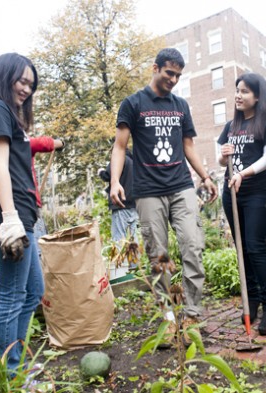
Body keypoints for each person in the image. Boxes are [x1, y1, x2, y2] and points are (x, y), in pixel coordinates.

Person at [109, 48, 218, 345]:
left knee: (193, 248)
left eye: (178, 75)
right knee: (160, 258)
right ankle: (168, 319)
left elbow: (188, 146)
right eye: (169, 73)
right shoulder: (133, 104)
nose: (173, 80)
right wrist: (115, 181)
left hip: (181, 186)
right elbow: (120, 146)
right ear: (155, 68)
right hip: (148, 191)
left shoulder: (181, 105)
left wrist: (205, 177)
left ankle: (192, 314)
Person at [0, 52, 44, 373]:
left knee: (33, 292)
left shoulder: (8, 115)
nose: (26, 89)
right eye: (21, 81)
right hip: (8, 218)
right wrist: (11, 218)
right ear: (5, 76)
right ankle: (8, 375)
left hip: (22, 216)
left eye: (31, 84)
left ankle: (15, 363)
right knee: (12, 297)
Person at [217, 72, 266, 336]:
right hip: (231, 193)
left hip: (256, 193)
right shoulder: (231, 126)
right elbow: (221, 161)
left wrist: (243, 173)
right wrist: (222, 156)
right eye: (237, 91)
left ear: (257, 96)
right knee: (241, 249)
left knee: (255, 248)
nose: (238, 95)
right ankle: (251, 300)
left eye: (244, 91)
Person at [98, 148, 139, 269]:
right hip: (134, 205)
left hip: (120, 203)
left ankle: (119, 270)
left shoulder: (118, 159)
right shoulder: (133, 162)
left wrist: (100, 171)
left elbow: (108, 175)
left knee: (118, 237)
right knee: (133, 238)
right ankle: (135, 267)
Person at [30, 136, 64, 254]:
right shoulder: (21, 141)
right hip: (29, 207)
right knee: (39, 251)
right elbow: (43, 143)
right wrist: (60, 142)